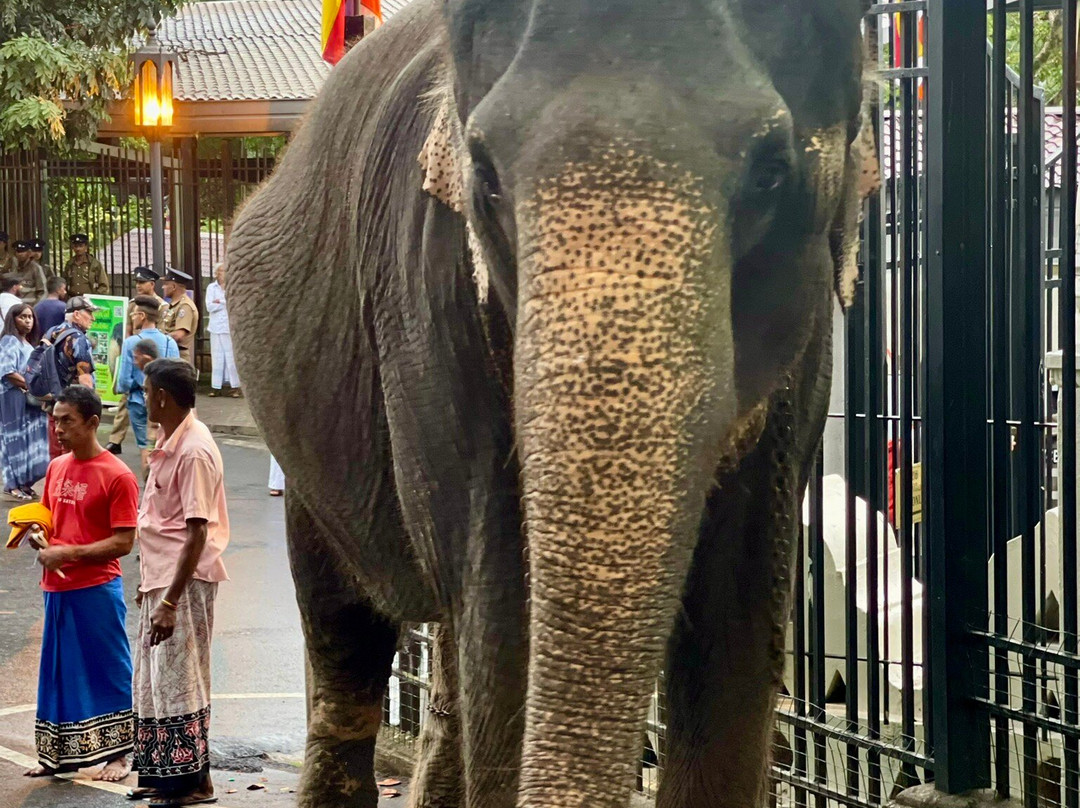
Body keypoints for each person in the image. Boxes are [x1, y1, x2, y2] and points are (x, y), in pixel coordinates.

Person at [26, 385, 138, 782]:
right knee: (59, 672)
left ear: (92, 422)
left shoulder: (118, 476)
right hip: (55, 588)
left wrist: (68, 554)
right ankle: (59, 756)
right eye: (55, 420)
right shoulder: (57, 467)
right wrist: (39, 535)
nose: (58, 429)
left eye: (67, 421)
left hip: (96, 588)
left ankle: (119, 756)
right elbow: (51, 520)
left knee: (107, 669)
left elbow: (124, 541)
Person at [133, 359, 229, 806]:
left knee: (182, 679)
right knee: (156, 681)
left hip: (182, 584)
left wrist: (169, 601)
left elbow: (197, 530)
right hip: (161, 578)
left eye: (148, 390)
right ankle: (166, 777)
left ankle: (196, 782)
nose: (144, 396)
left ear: (162, 397)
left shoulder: (193, 450)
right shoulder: (169, 438)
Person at [115, 298, 179, 476]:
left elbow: (124, 381)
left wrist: (125, 390)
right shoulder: (169, 342)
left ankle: (149, 481)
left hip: (137, 400)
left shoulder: (131, 343)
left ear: (142, 316)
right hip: (164, 401)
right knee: (163, 444)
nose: (132, 317)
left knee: (145, 446)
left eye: (134, 314)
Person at [107, 267, 165, 455]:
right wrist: (129, 348)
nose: (139, 286)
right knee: (127, 398)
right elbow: (128, 329)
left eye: (142, 283)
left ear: (152, 284)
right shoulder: (134, 304)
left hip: (153, 357)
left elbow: (160, 334)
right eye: (137, 283)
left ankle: (151, 445)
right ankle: (115, 440)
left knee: (146, 402)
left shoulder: (161, 306)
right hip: (134, 354)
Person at [0, 304, 47, 500]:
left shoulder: (28, 345)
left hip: (28, 400)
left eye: (30, 317)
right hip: (12, 397)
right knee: (14, 439)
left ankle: (25, 482)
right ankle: (12, 484)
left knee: (31, 440)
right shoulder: (9, 341)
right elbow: (8, 372)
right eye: (23, 317)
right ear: (13, 320)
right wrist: (30, 386)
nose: (28, 321)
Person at [42, 297, 98, 459]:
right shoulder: (78, 339)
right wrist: (91, 407)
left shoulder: (51, 332)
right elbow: (85, 377)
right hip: (72, 407)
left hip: (52, 402)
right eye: (90, 313)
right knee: (73, 454)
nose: (93, 318)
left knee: (55, 450)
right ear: (77, 314)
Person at [205, 263, 240, 398]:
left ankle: (235, 387)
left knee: (231, 357)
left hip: (228, 327)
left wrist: (219, 301)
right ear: (216, 273)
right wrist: (222, 302)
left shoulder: (232, 287)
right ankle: (216, 386)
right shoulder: (211, 287)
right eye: (220, 271)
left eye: (224, 271)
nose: (222, 273)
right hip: (215, 327)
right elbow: (209, 306)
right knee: (217, 356)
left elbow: (233, 304)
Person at [161, 268, 199, 367]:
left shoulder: (185, 306)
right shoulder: (174, 304)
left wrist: (157, 339)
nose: (163, 287)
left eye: (166, 284)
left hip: (178, 356)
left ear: (173, 286)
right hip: (169, 354)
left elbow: (179, 335)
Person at [15, 240, 47, 305]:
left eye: (23, 251)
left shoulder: (36, 268)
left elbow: (43, 291)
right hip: (16, 307)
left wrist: (36, 307)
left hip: (31, 307)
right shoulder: (14, 267)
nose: (20, 254)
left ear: (29, 253)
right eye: (18, 251)